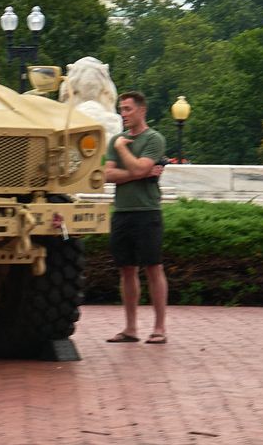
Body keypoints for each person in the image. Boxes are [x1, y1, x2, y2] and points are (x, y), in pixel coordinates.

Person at [104, 91, 168, 345]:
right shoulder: (115, 140)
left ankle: (159, 328)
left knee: (153, 268)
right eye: (122, 109)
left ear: (142, 111)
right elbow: (107, 175)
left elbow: (141, 167)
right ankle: (130, 329)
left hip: (147, 212)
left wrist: (124, 154)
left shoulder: (154, 139)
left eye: (128, 109)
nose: (124, 114)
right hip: (122, 212)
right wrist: (138, 172)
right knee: (126, 270)